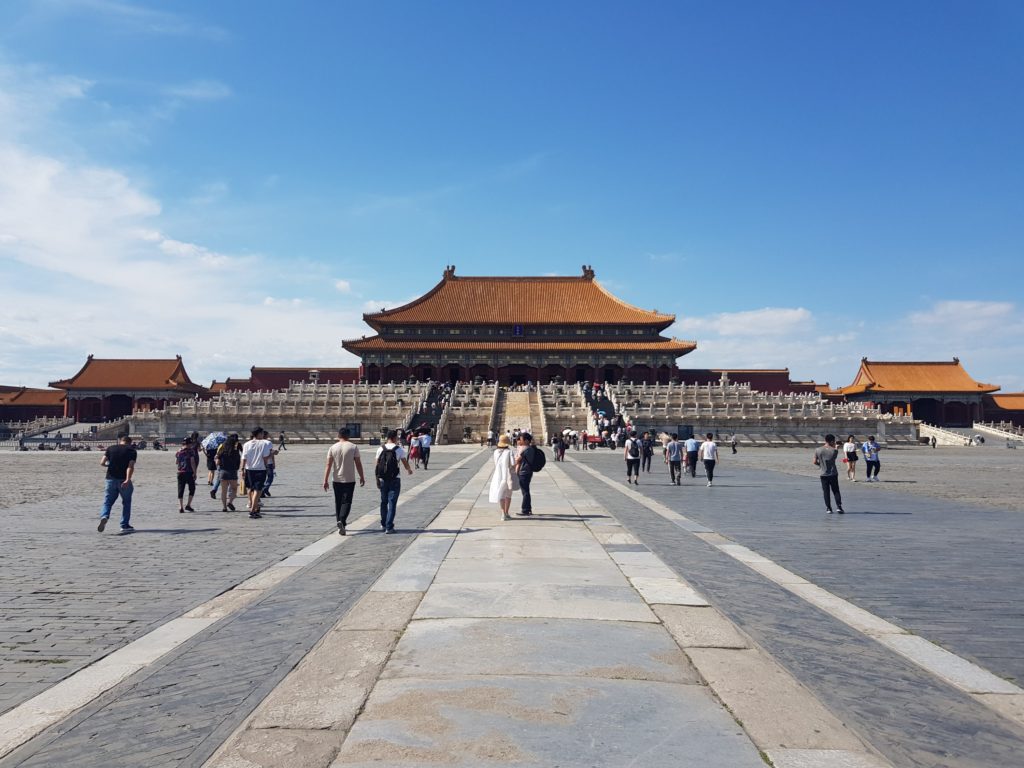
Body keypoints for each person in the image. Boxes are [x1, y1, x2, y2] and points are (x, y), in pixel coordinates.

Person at [324, 427, 365, 535]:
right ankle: (342, 520)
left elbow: (328, 465)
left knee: (338, 501)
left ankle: (339, 523)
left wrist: (325, 480)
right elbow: (358, 463)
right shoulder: (353, 447)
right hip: (349, 479)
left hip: (336, 479)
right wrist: (362, 476)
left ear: (338, 436)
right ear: (348, 436)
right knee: (346, 501)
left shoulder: (332, 447)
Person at [98, 432, 137, 534]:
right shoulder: (131, 451)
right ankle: (124, 525)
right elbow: (130, 466)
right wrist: (128, 479)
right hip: (123, 479)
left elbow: (102, 462)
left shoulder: (111, 448)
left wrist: (109, 465)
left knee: (108, 501)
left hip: (110, 479)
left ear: (120, 441)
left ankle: (104, 516)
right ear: (129, 443)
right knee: (126, 502)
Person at [375, 429, 413, 533]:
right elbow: (404, 462)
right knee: (392, 502)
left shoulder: (380, 449)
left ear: (387, 438)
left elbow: (377, 465)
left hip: (383, 479)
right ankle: (389, 527)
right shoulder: (399, 449)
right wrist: (409, 470)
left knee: (383, 502)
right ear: (395, 438)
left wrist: (377, 479)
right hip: (395, 479)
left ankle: (383, 524)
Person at [241, 428, 272, 518]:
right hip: (260, 469)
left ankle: (254, 507)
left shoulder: (246, 444)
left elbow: (244, 458)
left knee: (250, 489)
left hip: (249, 469)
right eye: (262, 433)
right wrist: (273, 453)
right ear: (259, 434)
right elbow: (265, 458)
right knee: (258, 490)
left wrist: (242, 469)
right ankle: (253, 511)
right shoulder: (266, 443)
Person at [489, 434, 517, 521]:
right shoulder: (509, 452)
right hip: (507, 474)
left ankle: (502, 513)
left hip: (498, 474)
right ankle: (506, 512)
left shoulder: (496, 452)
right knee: (508, 495)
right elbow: (513, 463)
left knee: (501, 494)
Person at [814, 434, 845, 514]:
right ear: (832, 441)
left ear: (825, 440)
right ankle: (839, 507)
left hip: (823, 474)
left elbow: (814, 462)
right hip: (833, 473)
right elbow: (833, 459)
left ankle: (828, 508)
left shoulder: (817, 449)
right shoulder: (833, 450)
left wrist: (821, 465)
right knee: (836, 491)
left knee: (826, 492)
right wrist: (836, 449)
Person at [216, 433, 242, 512]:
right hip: (233, 471)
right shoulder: (235, 451)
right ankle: (230, 502)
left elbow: (217, 462)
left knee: (223, 491)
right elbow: (239, 462)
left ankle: (224, 507)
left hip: (223, 471)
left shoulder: (222, 450)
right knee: (234, 489)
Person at [514, 432, 538, 516]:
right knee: (526, 491)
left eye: (521, 440)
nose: (520, 441)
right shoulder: (531, 448)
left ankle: (525, 510)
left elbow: (517, 460)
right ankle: (528, 509)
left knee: (525, 492)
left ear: (526, 441)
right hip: (528, 471)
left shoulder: (527, 449)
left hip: (524, 472)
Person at [175, 436, 199, 513]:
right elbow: (192, 462)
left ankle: (180, 507)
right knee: (192, 489)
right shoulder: (191, 451)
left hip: (180, 472)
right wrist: (195, 472)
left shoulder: (178, 451)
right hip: (188, 472)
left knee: (180, 490)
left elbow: (176, 462)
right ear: (189, 444)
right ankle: (188, 505)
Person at [261, 429, 279, 497]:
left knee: (262, 478)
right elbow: (272, 453)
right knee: (270, 477)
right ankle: (265, 489)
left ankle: (262, 490)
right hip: (269, 463)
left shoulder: (257, 442)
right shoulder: (268, 443)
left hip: (261, 463)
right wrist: (274, 463)